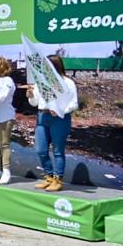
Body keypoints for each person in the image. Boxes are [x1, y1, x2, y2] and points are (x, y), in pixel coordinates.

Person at [26, 55, 79, 192]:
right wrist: (31, 96)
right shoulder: (40, 82)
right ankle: (48, 177)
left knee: (57, 151)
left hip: (60, 119)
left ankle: (58, 179)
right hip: (42, 116)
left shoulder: (67, 82)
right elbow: (35, 103)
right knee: (40, 149)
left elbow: (74, 103)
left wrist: (60, 111)